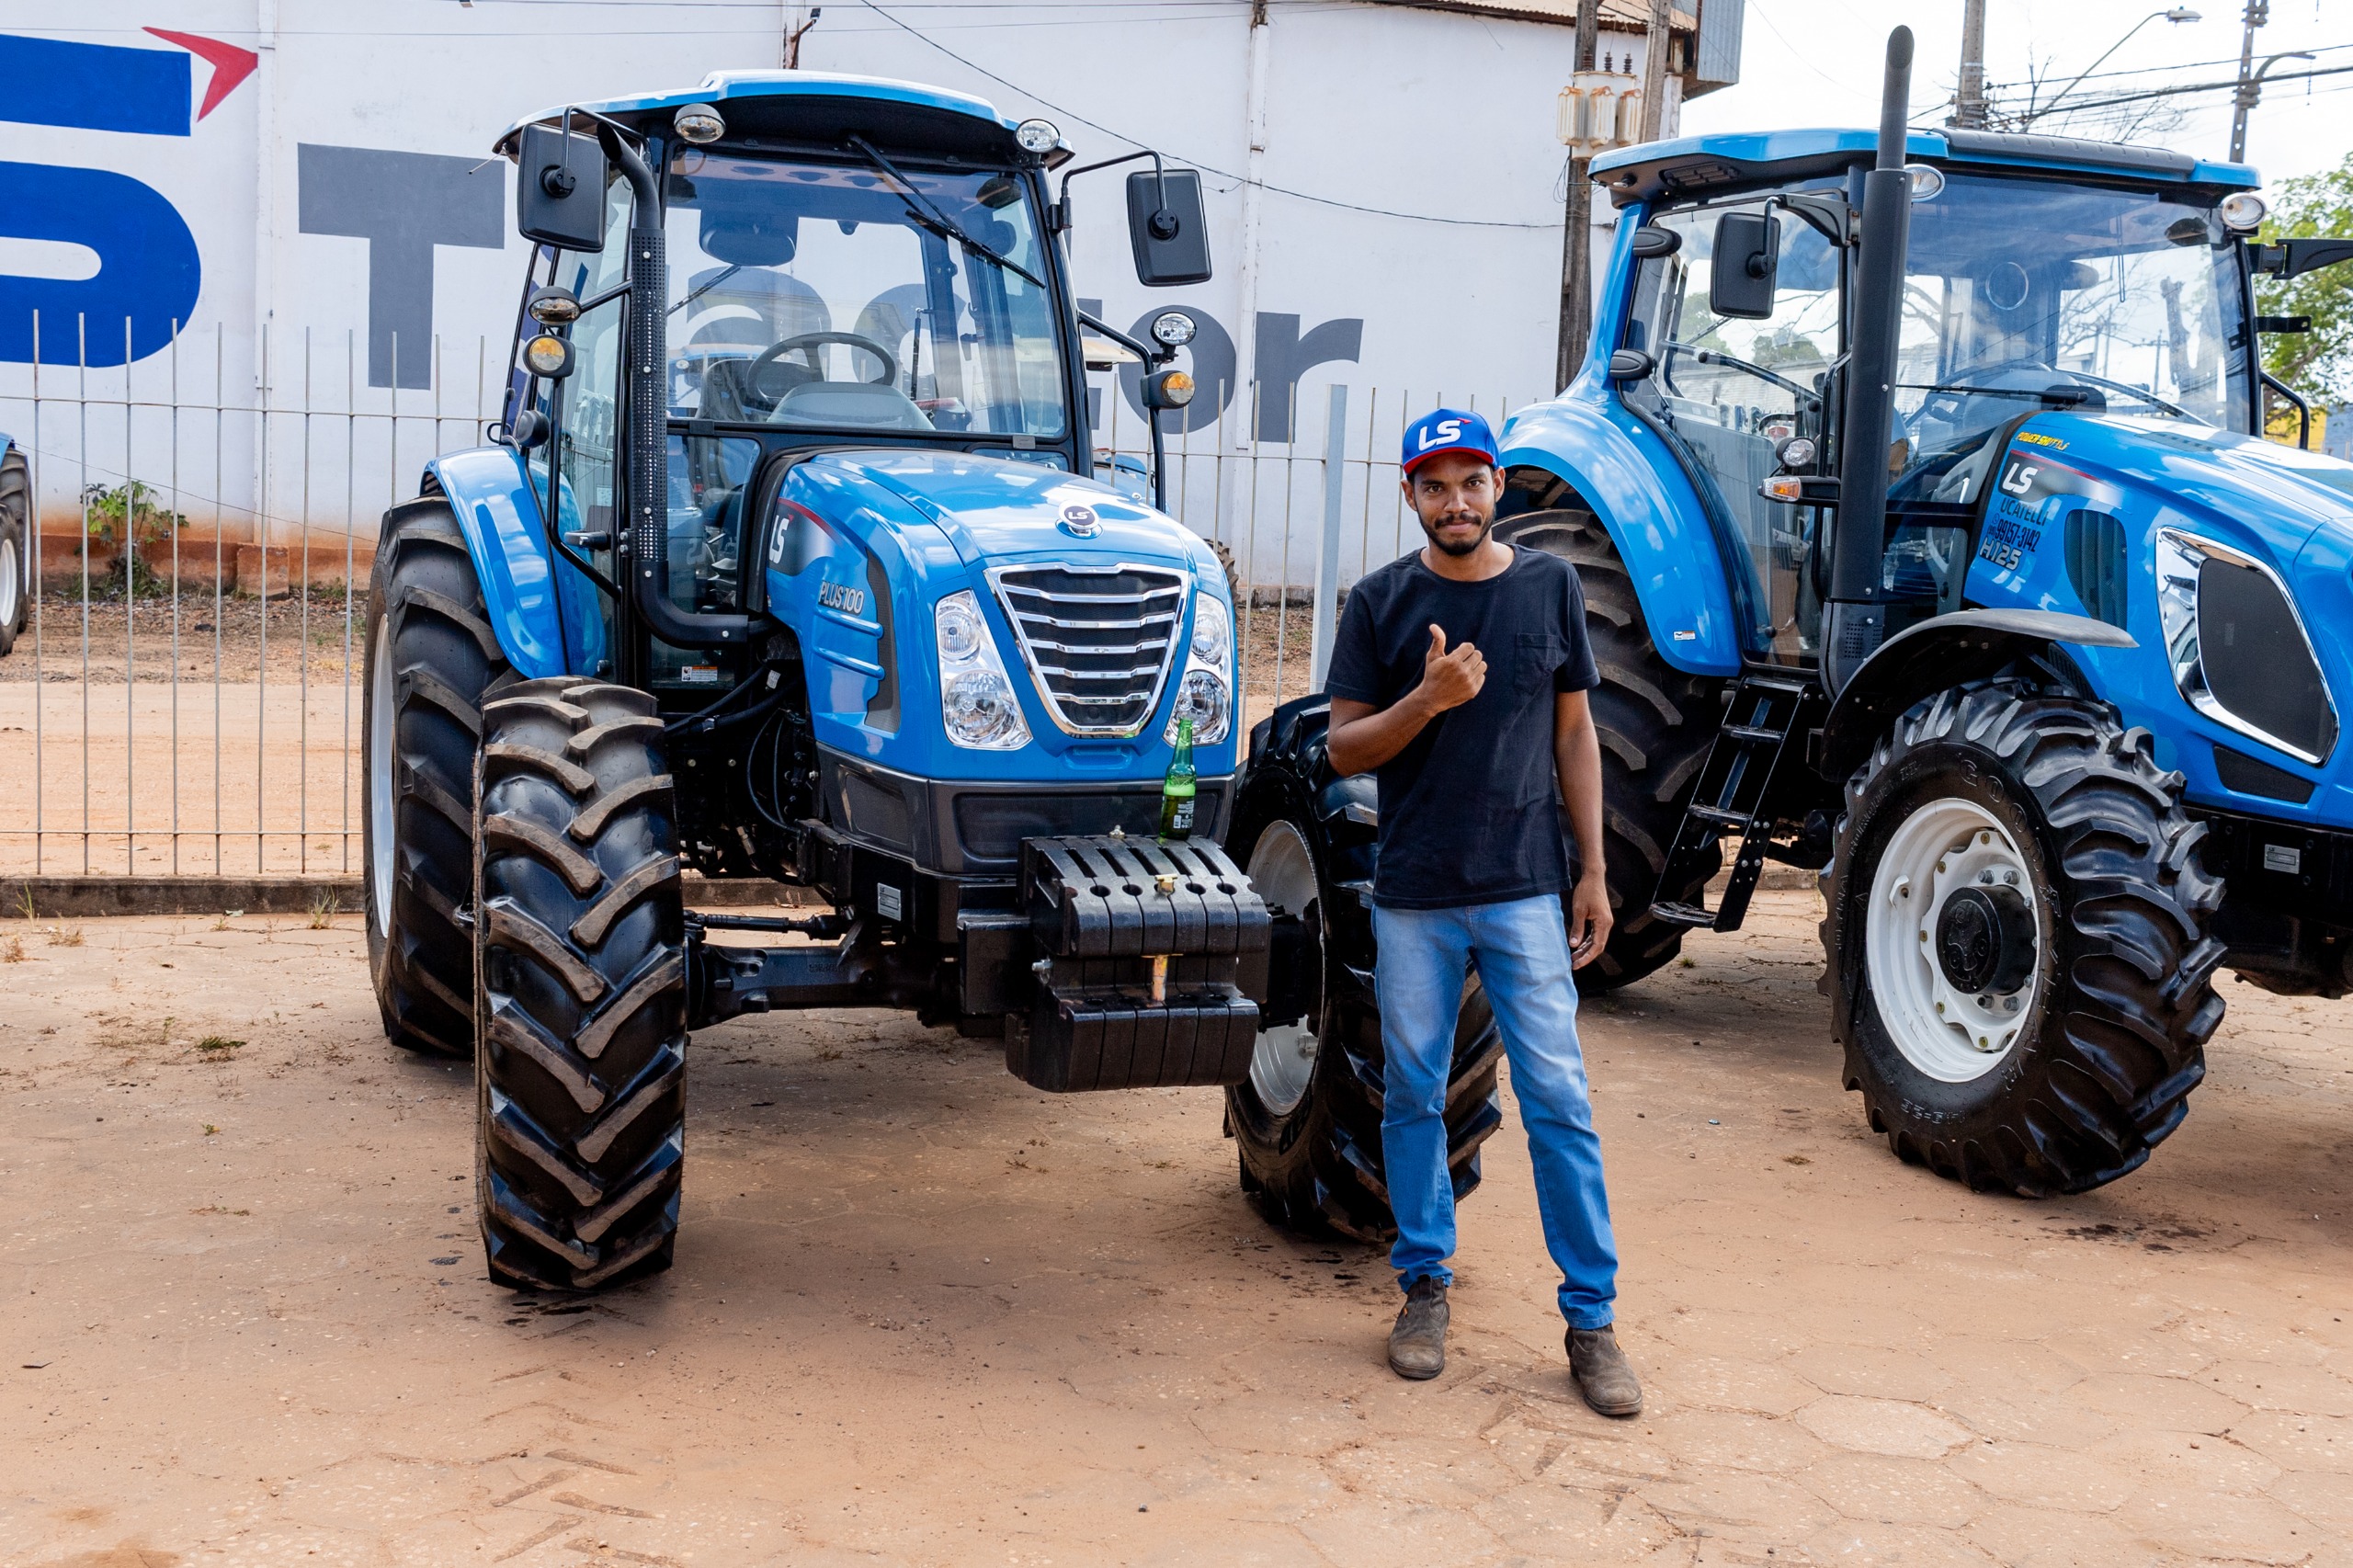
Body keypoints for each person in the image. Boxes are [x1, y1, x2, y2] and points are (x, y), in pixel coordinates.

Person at [1322, 406, 1641, 1417]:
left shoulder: (1549, 587)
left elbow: (1575, 733)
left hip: (1523, 887)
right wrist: (1426, 699)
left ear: (1499, 486)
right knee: (1413, 1092)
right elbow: (1341, 748)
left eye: (1471, 482)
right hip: (1416, 891)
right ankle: (1424, 1282)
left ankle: (1591, 1318)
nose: (1454, 501)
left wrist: (1592, 870)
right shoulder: (1380, 602)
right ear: (1409, 496)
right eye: (1434, 485)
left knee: (1559, 1100)